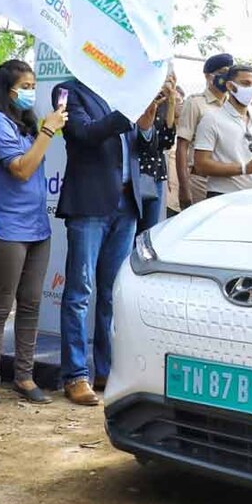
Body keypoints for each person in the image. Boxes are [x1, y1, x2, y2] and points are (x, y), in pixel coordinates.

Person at [55, 76, 168, 406]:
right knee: (80, 291)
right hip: (89, 205)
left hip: (127, 205)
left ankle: (106, 369)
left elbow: (143, 145)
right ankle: (75, 375)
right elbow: (84, 133)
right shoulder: (66, 90)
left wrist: (146, 116)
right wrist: (130, 109)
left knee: (112, 293)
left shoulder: (125, 90)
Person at [0, 60, 68, 410]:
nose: (31, 90)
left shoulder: (27, 123)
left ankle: (24, 376)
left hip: (37, 228)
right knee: (0, 305)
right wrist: (48, 132)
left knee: (30, 303)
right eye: (24, 85)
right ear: (7, 88)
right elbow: (20, 169)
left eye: (33, 84)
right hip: (7, 227)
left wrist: (42, 129)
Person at [193, 64, 252, 198]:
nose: (250, 89)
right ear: (230, 86)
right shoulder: (212, 119)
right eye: (245, 83)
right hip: (222, 196)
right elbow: (201, 164)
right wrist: (244, 168)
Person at [173, 53, 233, 211]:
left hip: (227, 181)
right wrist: (184, 187)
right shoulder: (195, 103)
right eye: (222, 72)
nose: (227, 77)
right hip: (200, 181)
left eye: (229, 72)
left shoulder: (232, 107)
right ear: (208, 76)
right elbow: (182, 146)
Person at [138, 82, 182, 230]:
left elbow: (166, 141)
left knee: (149, 230)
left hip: (155, 174)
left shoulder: (165, 103)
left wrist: (171, 102)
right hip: (133, 172)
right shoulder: (135, 98)